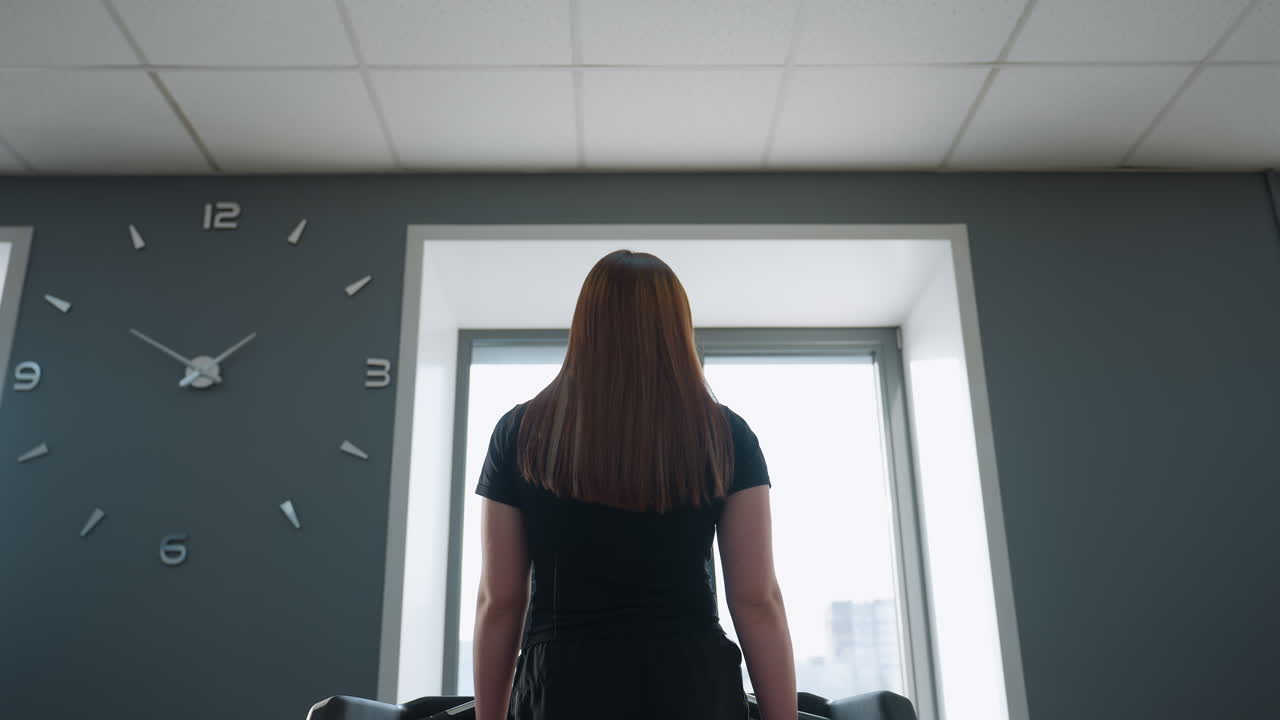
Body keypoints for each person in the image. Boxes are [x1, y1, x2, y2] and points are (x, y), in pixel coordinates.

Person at [471, 249, 798, 720]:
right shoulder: (725, 434)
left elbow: (499, 601)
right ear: (676, 327)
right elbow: (756, 599)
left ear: (585, 325)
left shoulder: (520, 432)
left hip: (563, 686)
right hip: (693, 683)